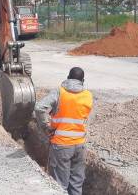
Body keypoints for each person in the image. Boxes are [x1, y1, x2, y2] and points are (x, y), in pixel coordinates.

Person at [35, 67, 93, 195]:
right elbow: (87, 118)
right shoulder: (88, 95)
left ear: (68, 77)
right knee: (76, 184)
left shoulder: (59, 92)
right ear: (83, 80)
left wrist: (46, 126)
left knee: (60, 185)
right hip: (80, 146)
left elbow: (39, 108)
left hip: (61, 146)